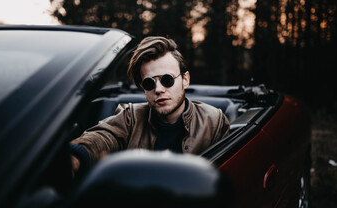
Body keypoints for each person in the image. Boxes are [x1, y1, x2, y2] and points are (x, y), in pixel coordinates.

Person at [70, 36, 230, 175]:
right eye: (149, 83)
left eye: (167, 79)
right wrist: (74, 158)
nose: (158, 89)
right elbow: (102, 137)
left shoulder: (214, 122)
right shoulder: (130, 117)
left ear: (185, 80)